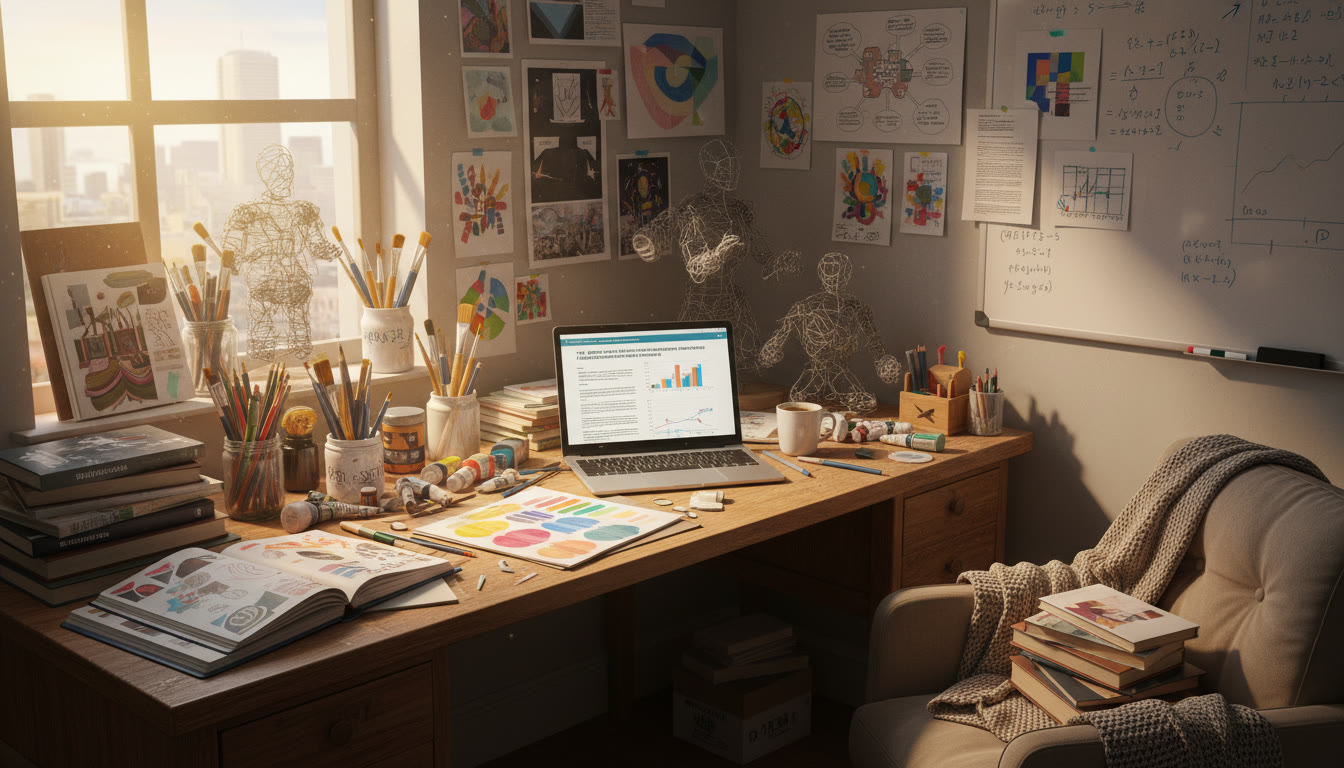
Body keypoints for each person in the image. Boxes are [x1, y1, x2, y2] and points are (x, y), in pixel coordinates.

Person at [631, 139, 800, 372]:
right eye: (723, 165)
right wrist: (717, 254)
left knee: (743, 361)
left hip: (732, 301)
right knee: (691, 366)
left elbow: (762, 253)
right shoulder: (693, 210)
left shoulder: (738, 210)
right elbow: (694, 266)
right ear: (709, 168)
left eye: (734, 165)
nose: (731, 171)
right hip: (700, 303)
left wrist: (778, 264)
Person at [221, 145, 340, 361]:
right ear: (265, 176)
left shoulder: (303, 210)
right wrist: (243, 264)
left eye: (287, 170)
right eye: (277, 172)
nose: (284, 177)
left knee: (301, 343)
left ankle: (301, 360)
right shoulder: (248, 212)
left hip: (294, 282)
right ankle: (263, 362)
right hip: (262, 282)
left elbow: (317, 244)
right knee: (262, 338)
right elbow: (230, 250)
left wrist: (326, 250)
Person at [759, 252, 902, 413]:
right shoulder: (806, 306)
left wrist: (883, 361)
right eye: (829, 273)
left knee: (864, 405)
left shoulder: (855, 307)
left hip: (841, 372)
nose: (833, 278)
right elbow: (782, 332)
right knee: (799, 404)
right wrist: (772, 349)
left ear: (846, 275)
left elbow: (873, 338)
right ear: (822, 274)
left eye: (838, 273)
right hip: (813, 374)